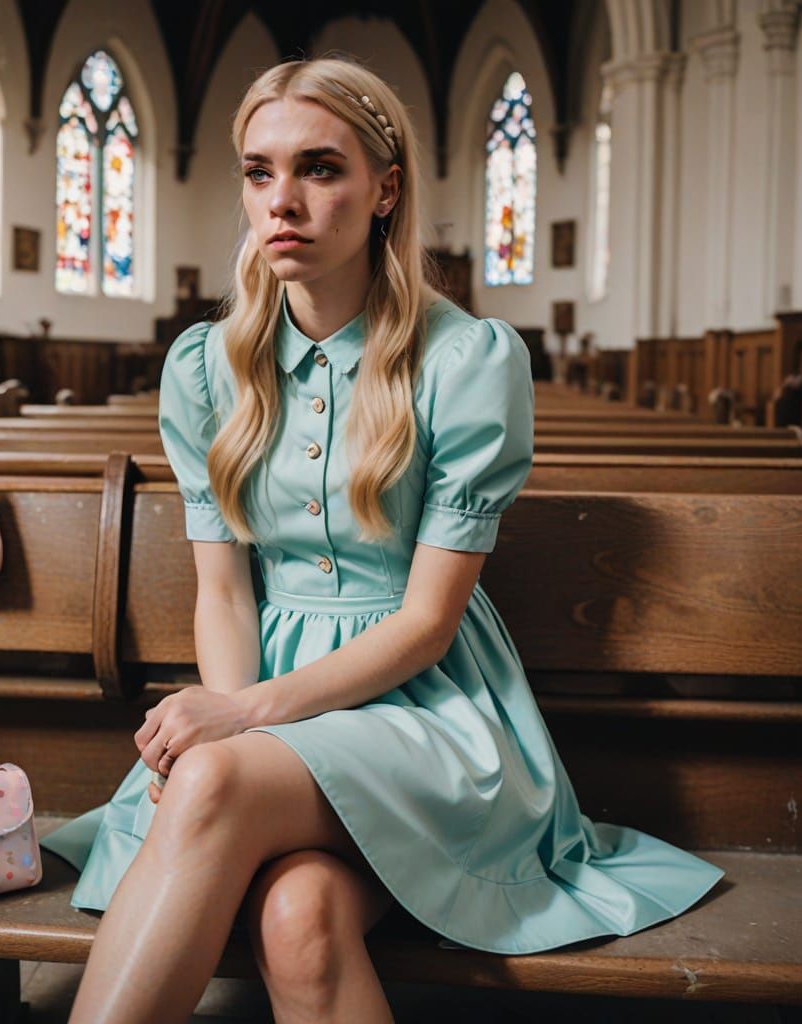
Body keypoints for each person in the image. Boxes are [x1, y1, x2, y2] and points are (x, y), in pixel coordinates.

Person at [39, 55, 724, 1024]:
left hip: (432, 718)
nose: (282, 200)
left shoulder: (466, 362)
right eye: (259, 170)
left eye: (319, 168)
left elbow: (426, 625)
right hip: (261, 708)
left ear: (384, 189)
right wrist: (240, 715)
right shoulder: (206, 369)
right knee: (297, 911)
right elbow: (226, 594)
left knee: (213, 781)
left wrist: (240, 721)